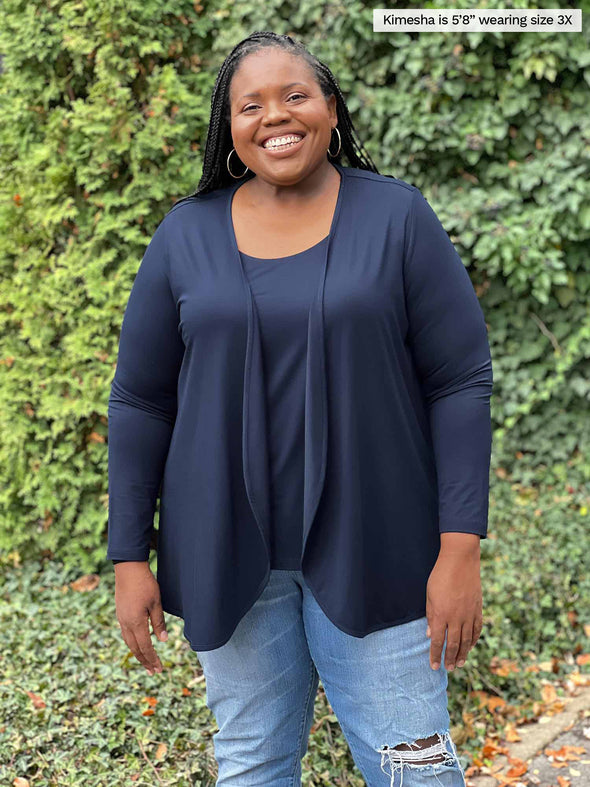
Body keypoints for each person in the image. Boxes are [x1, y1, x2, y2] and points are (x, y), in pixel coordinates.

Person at [108, 31, 493, 786]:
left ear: (330, 109)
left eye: (295, 95)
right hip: (225, 554)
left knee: (412, 763)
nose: (274, 116)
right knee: (253, 763)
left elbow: (459, 381)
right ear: (231, 128)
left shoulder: (397, 218)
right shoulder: (185, 234)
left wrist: (461, 548)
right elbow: (140, 400)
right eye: (250, 104)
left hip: (382, 548)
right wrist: (129, 554)